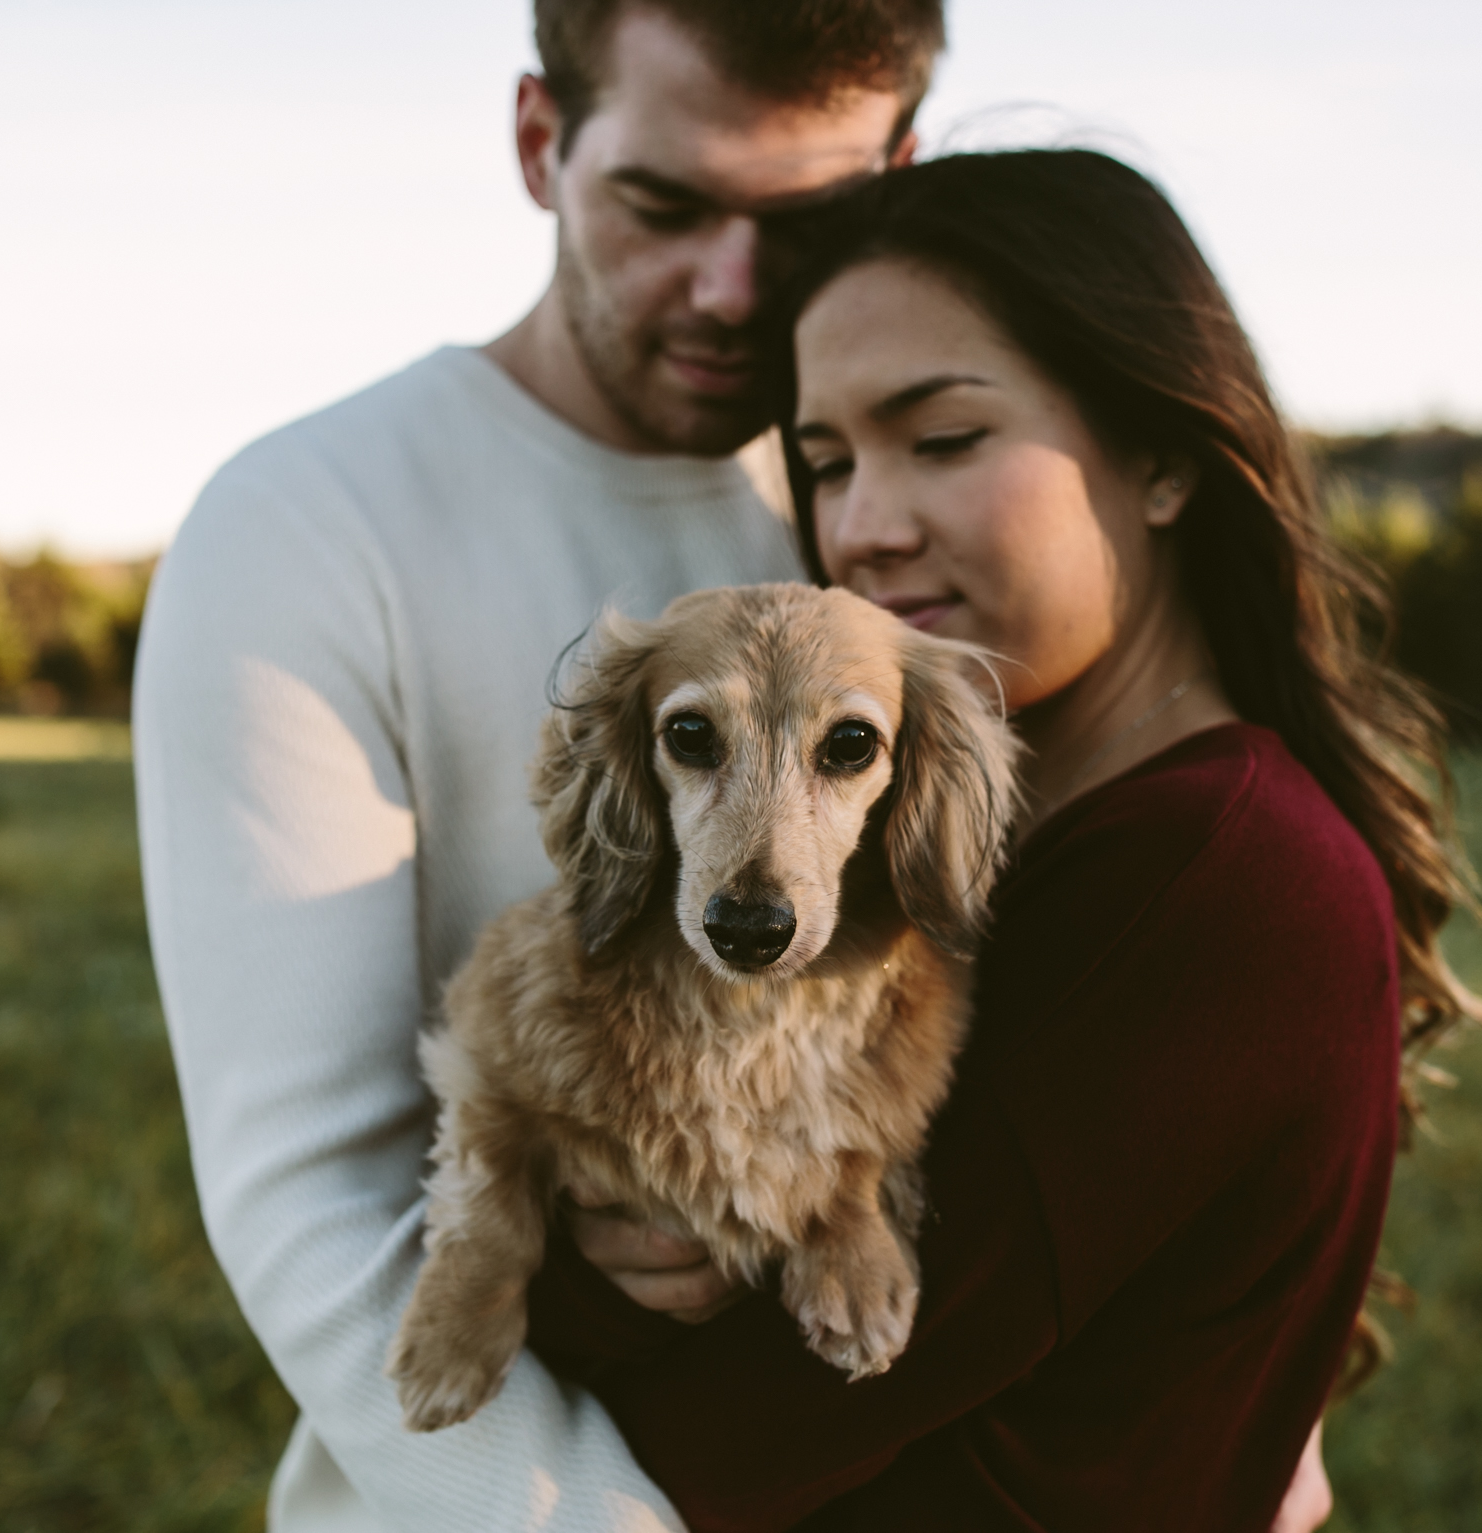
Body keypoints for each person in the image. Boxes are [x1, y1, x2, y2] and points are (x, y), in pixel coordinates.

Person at [525, 149, 1482, 1531]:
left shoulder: (1213, 874)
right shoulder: (922, 846)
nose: (862, 529)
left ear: (1161, 458)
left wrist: (578, 1281)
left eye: (945, 439)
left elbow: (738, 1429)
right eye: (826, 463)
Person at [132, 3, 944, 1528]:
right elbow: (316, 1194)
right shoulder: (304, 529)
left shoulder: (920, 511)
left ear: (901, 176)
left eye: (806, 219)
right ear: (538, 142)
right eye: (662, 203)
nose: (732, 288)